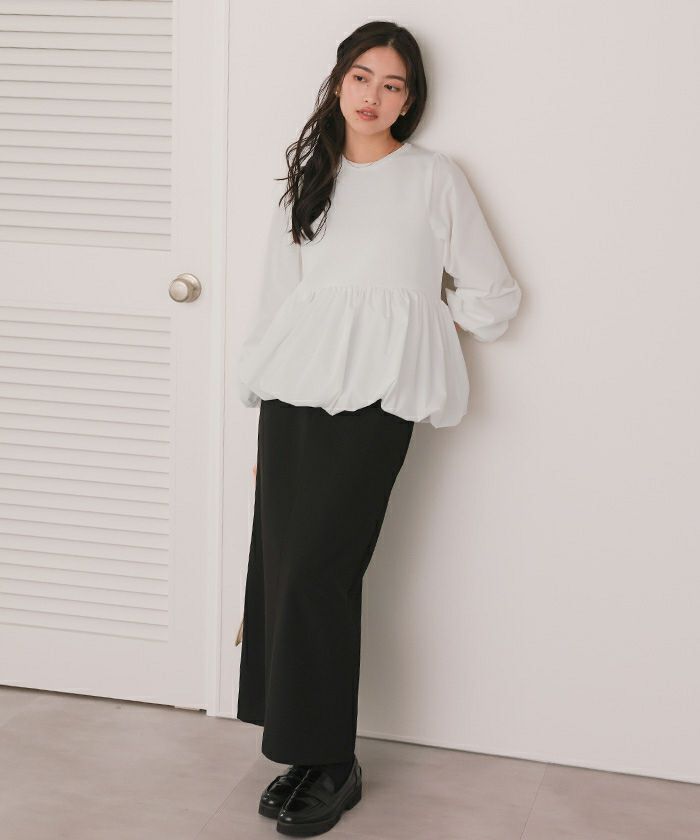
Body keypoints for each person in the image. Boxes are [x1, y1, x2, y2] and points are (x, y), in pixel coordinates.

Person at [234, 19, 522, 837]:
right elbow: (276, 303)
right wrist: (256, 405)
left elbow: (493, 296)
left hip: (375, 402)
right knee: (283, 570)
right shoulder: (308, 182)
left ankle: (333, 764)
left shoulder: (434, 178)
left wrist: (418, 325)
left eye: (392, 85)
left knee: (321, 570)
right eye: (361, 77)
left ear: (409, 100)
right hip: (293, 397)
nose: (372, 96)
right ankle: (305, 751)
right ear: (338, 82)